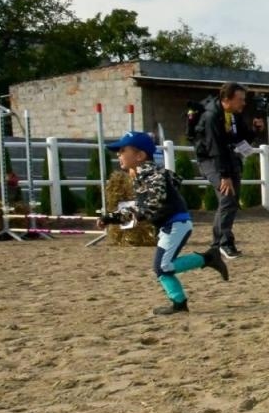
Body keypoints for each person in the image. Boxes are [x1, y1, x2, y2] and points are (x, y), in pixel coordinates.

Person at [98, 131, 228, 315]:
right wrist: (111, 218)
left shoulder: (152, 175)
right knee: (162, 268)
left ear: (140, 155)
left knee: (163, 267)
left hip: (177, 224)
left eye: (122, 150)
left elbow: (152, 205)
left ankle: (208, 259)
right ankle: (179, 303)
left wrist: (123, 217)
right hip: (170, 226)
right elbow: (144, 205)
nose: (118, 154)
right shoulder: (144, 176)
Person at [193, 82, 252, 259]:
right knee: (227, 198)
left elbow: (242, 139)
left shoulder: (233, 115)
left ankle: (223, 242)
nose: (243, 103)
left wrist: (255, 130)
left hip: (228, 158)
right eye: (240, 99)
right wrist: (224, 176)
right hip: (212, 161)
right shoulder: (212, 117)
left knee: (232, 202)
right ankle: (220, 244)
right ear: (227, 99)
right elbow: (214, 148)